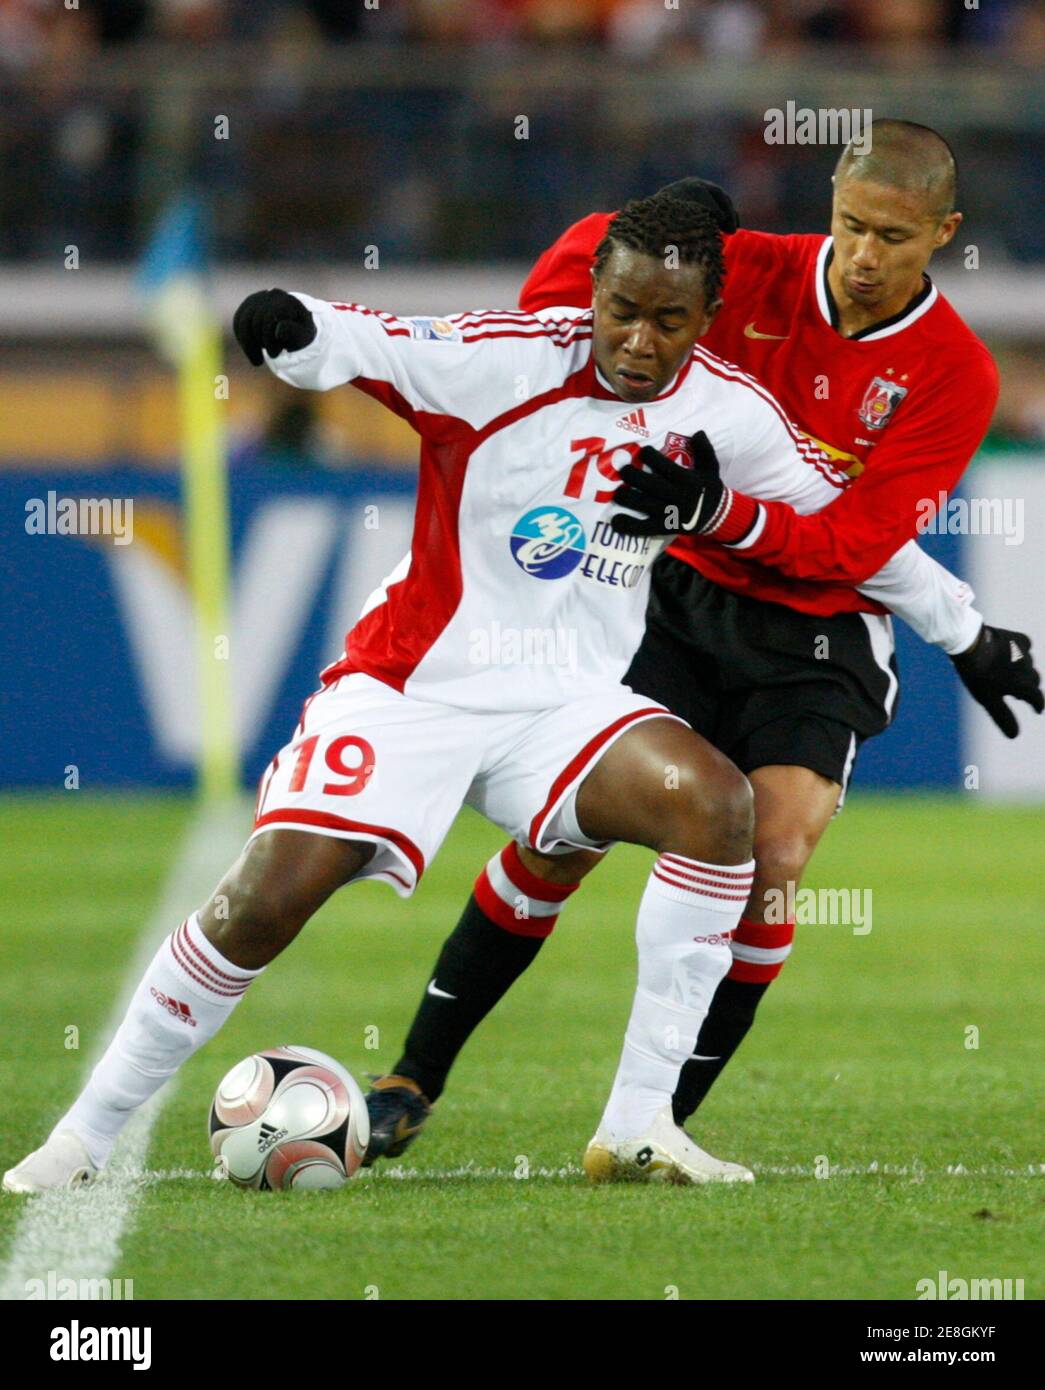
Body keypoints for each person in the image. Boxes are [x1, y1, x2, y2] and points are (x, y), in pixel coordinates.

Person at [363, 122, 1043, 1182]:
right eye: (852, 225)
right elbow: (582, 276)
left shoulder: (953, 372)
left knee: (773, 857)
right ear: (830, 198)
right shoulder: (752, 273)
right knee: (564, 832)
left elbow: (860, 545)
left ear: (944, 234)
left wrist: (720, 507)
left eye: (895, 238)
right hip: (671, 596)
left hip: (822, 626)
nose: (864, 255)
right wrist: (657, 211)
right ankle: (412, 1076)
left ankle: (653, 1120)